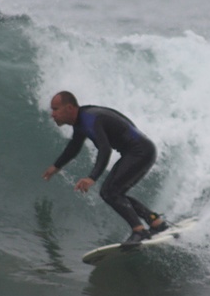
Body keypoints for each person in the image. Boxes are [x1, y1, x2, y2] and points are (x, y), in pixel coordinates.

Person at [42, 91, 168, 246]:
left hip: (140, 152)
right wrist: (56, 166)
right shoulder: (81, 121)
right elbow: (74, 146)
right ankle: (155, 222)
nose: (52, 114)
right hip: (139, 151)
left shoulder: (90, 119)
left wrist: (92, 177)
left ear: (69, 108)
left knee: (110, 192)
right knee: (114, 192)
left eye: (55, 109)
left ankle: (139, 230)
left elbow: (105, 149)